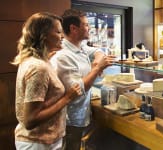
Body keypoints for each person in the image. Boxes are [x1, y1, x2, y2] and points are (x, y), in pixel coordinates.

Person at [11, 12, 82, 150]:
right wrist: (67, 98)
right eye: (58, 32)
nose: (62, 36)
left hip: (44, 141)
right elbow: (30, 120)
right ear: (43, 35)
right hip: (39, 142)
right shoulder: (39, 67)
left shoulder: (37, 61)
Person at [50, 9, 115, 150]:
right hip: (70, 119)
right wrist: (97, 69)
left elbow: (99, 52)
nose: (89, 28)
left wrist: (97, 62)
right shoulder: (63, 55)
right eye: (86, 25)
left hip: (83, 114)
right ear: (73, 28)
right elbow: (76, 90)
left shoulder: (80, 46)